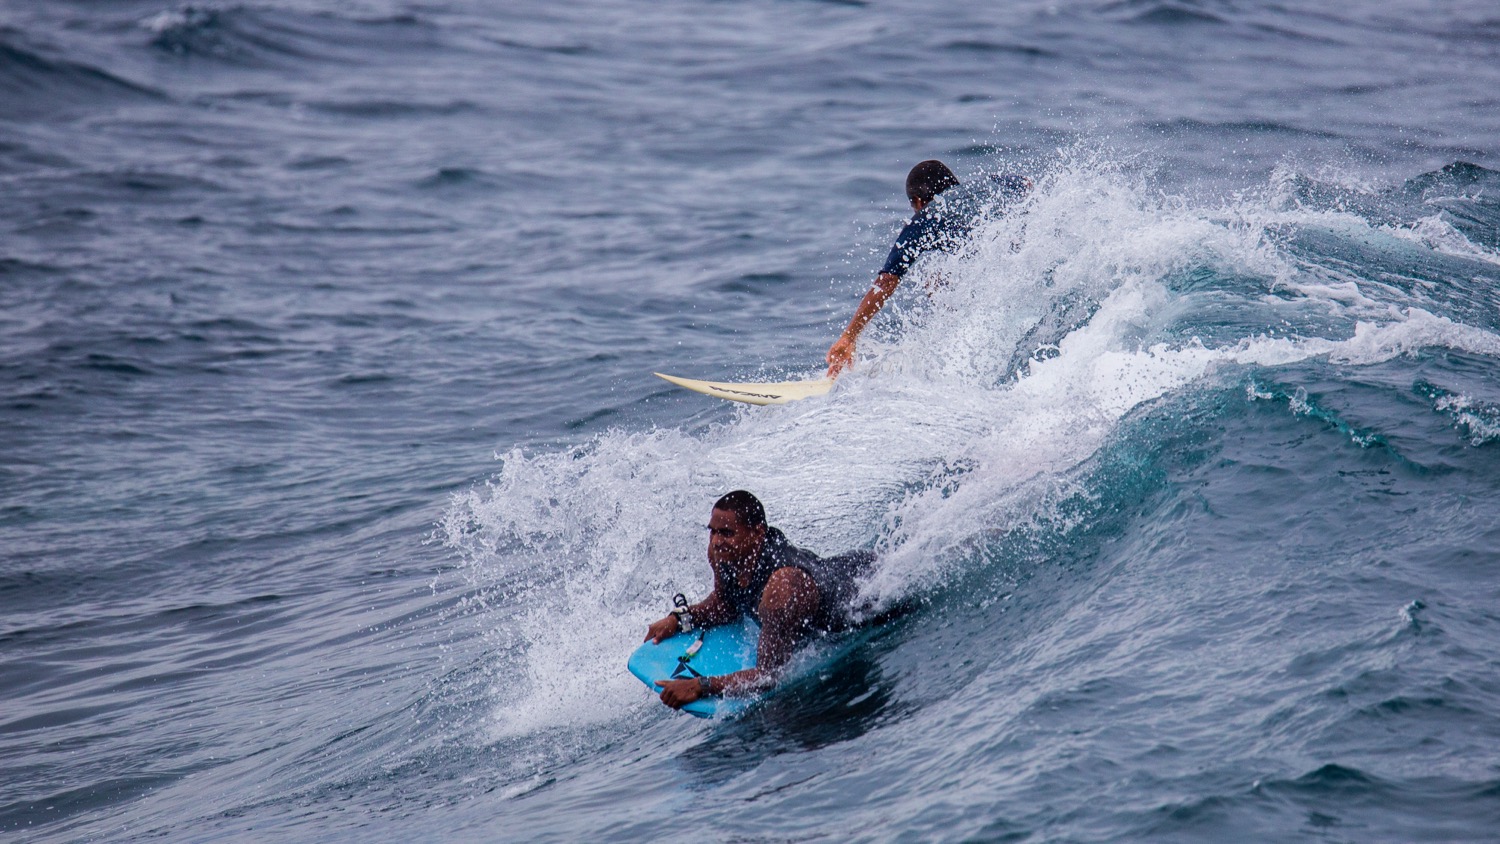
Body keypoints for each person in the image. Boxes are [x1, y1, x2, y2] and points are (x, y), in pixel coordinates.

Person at [645, 490, 875, 710]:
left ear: (757, 533)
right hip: (831, 568)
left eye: (726, 533)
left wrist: (701, 686)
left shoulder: (782, 589)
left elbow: (769, 676)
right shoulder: (722, 553)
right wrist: (679, 618)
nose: (716, 542)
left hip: (865, 588)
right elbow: (725, 606)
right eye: (712, 531)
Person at [825, 160, 1031, 376]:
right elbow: (1027, 185)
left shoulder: (924, 220)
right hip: (1021, 254)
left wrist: (849, 336)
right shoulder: (991, 183)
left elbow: (885, 283)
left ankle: (966, 339)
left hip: (999, 277)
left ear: (918, 201)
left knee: (934, 282)